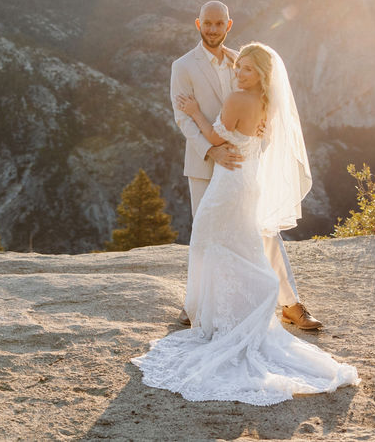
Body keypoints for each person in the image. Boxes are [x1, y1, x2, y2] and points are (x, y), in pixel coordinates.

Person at [132, 42, 358, 404]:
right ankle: (239, 310)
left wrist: (193, 111)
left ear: (262, 75)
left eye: (248, 70)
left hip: (229, 182)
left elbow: (215, 137)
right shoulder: (268, 103)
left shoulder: (238, 99)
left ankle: (222, 317)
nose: (239, 74)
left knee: (210, 240)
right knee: (242, 244)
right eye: (239, 68)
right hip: (249, 179)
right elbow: (260, 142)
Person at [168, 1, 322, 330]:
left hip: (242, 167)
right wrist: (213, 150)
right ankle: (198, 303)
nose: (212, 29)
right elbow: (183, 118)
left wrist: (263, 134)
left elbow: (261, 106)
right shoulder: (182, 66)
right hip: (204, 162)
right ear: (198, 24)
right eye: (207, 23)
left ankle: (290, 303)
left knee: (263, 232)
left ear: (228, 25)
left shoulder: (243, 60)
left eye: (218, 23)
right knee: (208, 235)